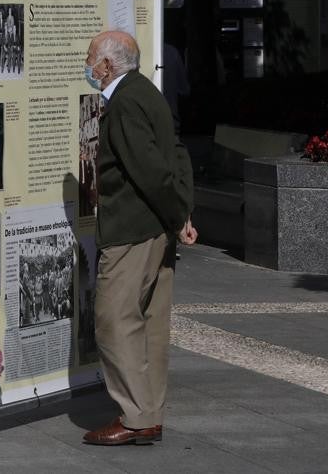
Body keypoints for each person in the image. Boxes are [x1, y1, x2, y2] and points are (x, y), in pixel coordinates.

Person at [81, 31, 196, 446]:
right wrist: (181, 213)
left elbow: (149, 170)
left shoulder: (125, 103)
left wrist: (176, 214)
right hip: (155, 228)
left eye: (91, 56)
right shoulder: (146, 91)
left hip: (133, 230)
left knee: (114, 320)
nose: (88, 63)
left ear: (108, 65)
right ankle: (148, 413)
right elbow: (177, 151)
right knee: (149, 324)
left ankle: (136, 417)